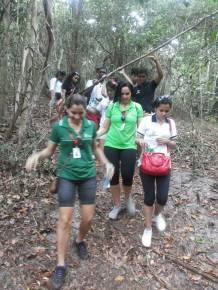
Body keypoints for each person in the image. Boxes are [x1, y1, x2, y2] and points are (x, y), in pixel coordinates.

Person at [25, 94, 114, 289]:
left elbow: (95, 148)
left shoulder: (90, 125)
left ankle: (79, 240)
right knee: (64, 220)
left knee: (88, 218)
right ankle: (60, 265)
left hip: (88, 174)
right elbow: (49, 151)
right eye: (73, 113)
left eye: (80, 113)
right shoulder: (59, 127)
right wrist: (37, 156)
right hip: (66, 175)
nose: (77, 117)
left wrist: (106, 162)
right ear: (66, 110)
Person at [97, 82, 144, 219]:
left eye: (127, 93)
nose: (124, 96)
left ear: (131, 93)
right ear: (119, 93)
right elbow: (105, 128)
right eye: (122, 93)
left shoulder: (137, 107)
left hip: (129, 145)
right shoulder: (112, 106)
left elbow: (140, 129)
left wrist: (141, 140)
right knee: (113, 175)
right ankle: (117, 205)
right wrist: (94, 134)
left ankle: (128, 198)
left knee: (128, 175)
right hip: (111, 144)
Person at [136, 95, 177, 247]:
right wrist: (140, 141)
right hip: (146, 163)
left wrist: (167, 141)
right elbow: (137, 138)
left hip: (164, 165)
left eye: (167, 110)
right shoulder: (146, 121)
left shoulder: (171, 123)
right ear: (155, 108)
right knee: (149, 197)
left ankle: (156, 215)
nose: (164, 113)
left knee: (162, 198)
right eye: (161, 110)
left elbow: (174, 144)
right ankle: (148, 229)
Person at [96, 79, 118, 150]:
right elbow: (97, 111)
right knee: (102, 151)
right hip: (102, 128)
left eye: (111, 90)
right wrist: (86, 108)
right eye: (108, 90)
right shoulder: (104, 101)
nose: (109, 92)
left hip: (114, 130)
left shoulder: (119, 102)